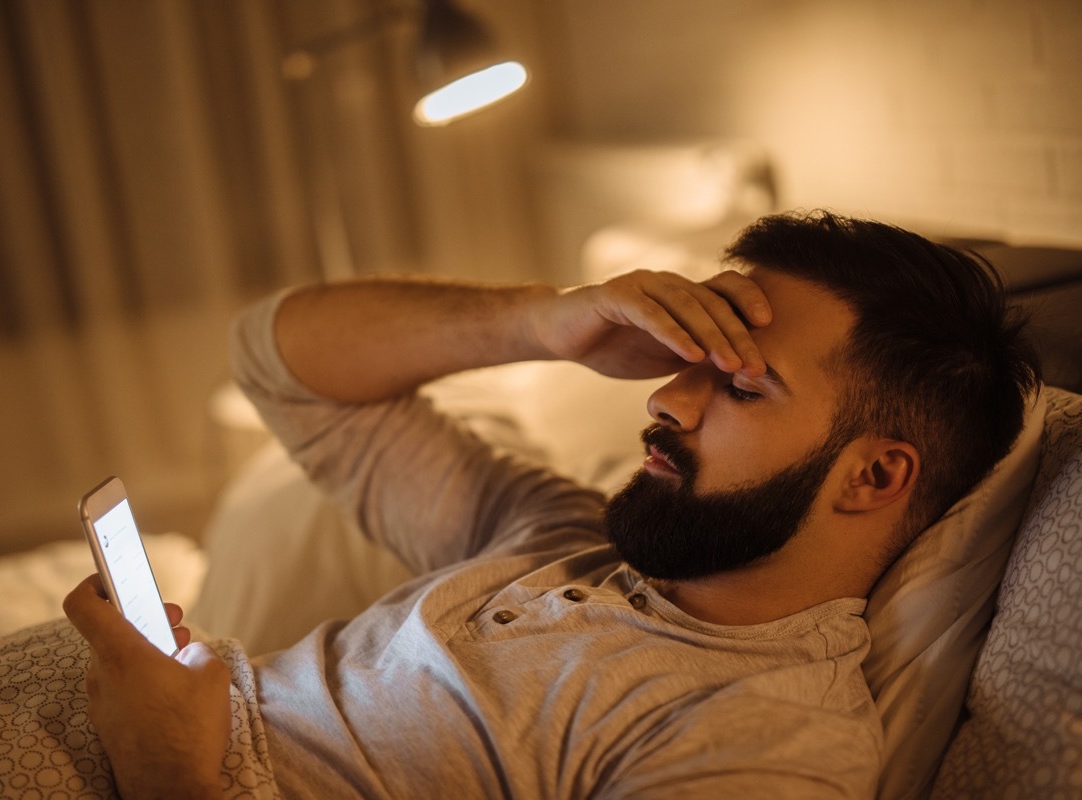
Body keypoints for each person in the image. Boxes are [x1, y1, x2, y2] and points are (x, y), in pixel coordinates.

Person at [64, 210, 1041, 798]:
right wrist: (544, 319)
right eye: (686, 360)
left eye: (739, 386)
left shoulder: (762, 744)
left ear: (874, 476)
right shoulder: (559, 533)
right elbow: (277, 363)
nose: (665, 396)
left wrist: (173, 776)